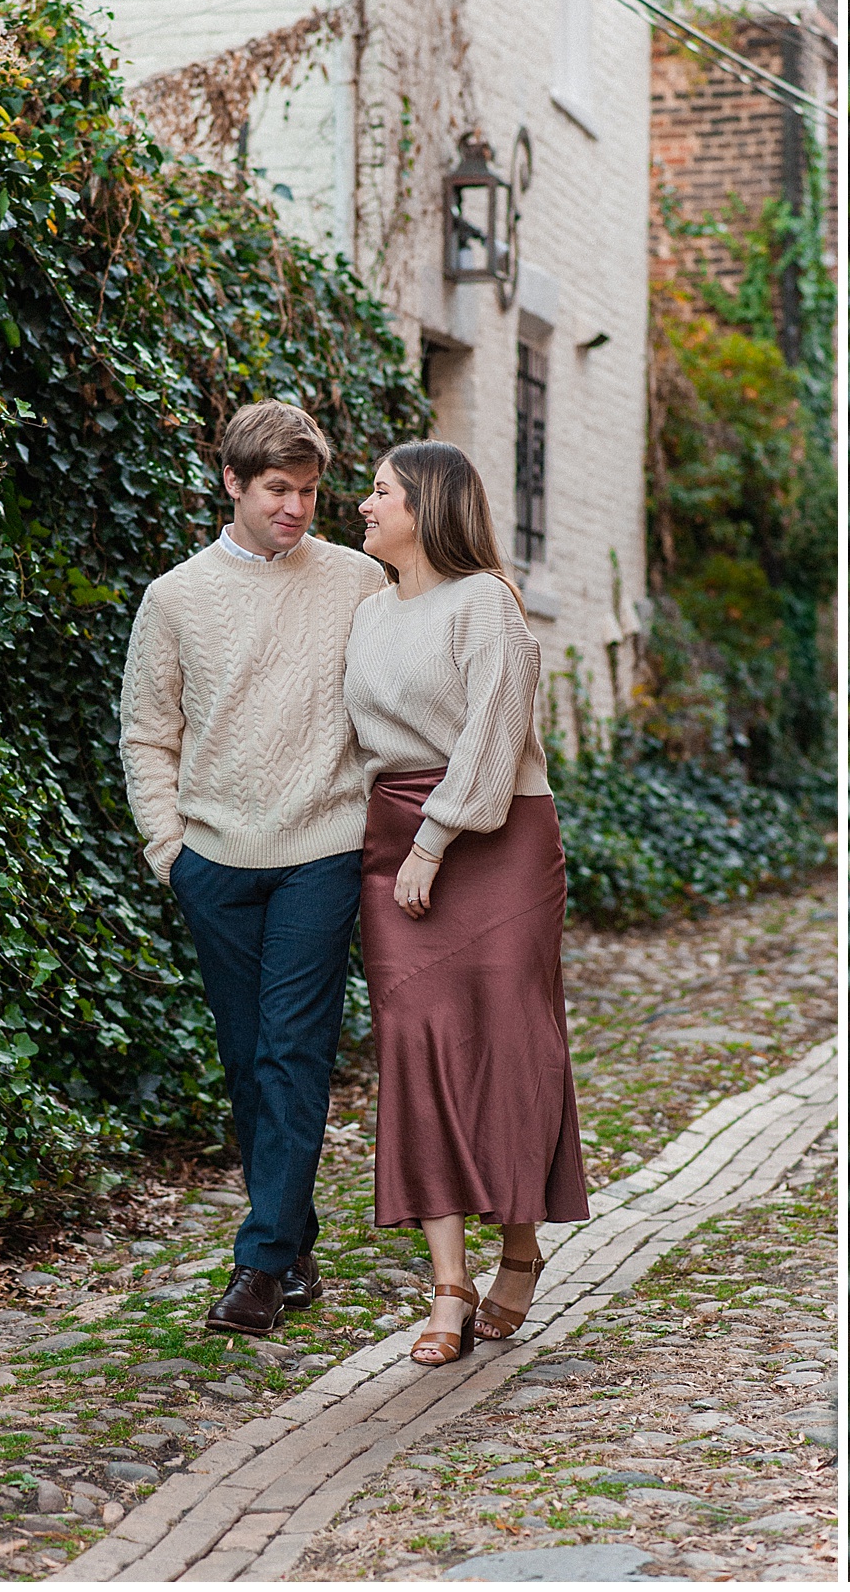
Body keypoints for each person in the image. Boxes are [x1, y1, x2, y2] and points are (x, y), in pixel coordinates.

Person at [119, 400, 387, 1336]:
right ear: (232, 481)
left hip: (323, 848)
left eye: (311, 492)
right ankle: (295, 1237)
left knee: (292, 1050)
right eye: (279, 489)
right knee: (246, 1058)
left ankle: (262, 1265)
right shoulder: (176, 596)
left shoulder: (358, 581)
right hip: (216, 863)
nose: (297, 508)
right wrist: (171, 854)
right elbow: (149, 734)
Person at [343, 440, 589, 1366]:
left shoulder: (487, 600)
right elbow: (352, 743)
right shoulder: (366, 614)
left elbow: (492, 736)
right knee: (416, 1045)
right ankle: (448, 1284)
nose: (364, 505)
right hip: (390, 833)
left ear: (428, 506)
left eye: (380, 492)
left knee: (512, 1035)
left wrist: (434, 842)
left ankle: (519, 1248)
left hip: (497, 836)